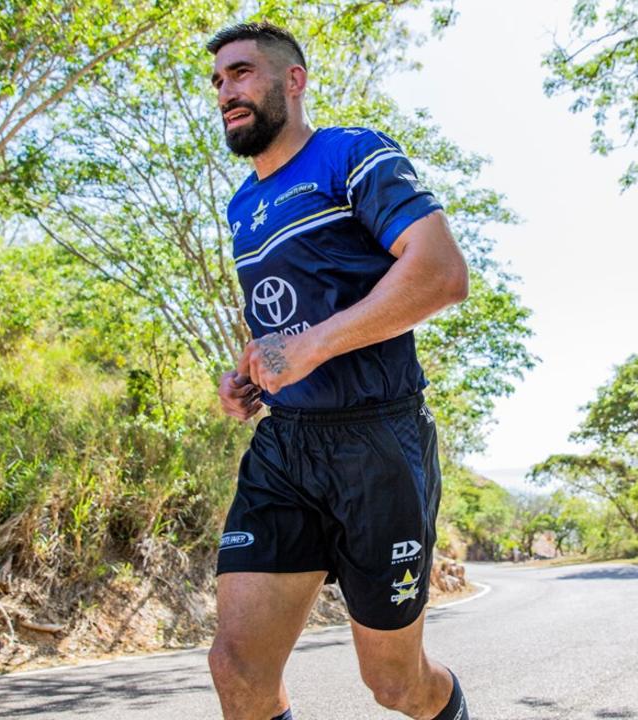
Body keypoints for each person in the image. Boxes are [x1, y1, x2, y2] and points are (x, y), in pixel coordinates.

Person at [205, 20, 471, 720]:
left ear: (292, 81)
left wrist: (312, 348)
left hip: (377, 444)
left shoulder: (352, 155)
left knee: (395, 686)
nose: (225, 91)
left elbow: (441, 274)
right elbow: (280, 317)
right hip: (286, 447)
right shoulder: (242, 205)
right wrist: (252, 374)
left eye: (241, 74)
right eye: (218, 81)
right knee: (235, 668)